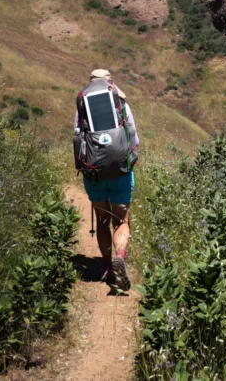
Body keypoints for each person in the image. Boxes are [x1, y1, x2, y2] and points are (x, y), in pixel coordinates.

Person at [74, 68, 139, 291]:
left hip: (95, 174)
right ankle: (120, 254)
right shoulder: (121, 103)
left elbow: (78, 137)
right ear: (110, 83)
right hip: (120, 172)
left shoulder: (83, 104)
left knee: (102, 220)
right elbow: (133, 135)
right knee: (121, 220)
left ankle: (107, 267)